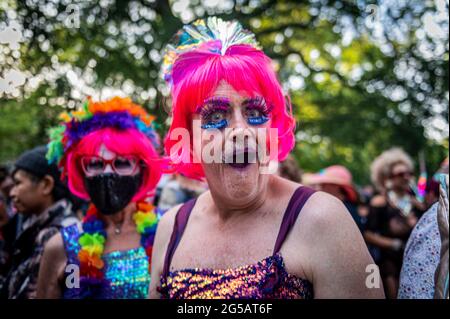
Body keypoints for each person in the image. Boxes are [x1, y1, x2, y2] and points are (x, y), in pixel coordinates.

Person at [149, 17, 383, 299]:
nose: (240, 130)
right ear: (189, 133)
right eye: (215, 115)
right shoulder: (171, 228)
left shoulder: (322, 219)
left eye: (255, 113)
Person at [36, 97, 166, 299]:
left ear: (142, 169)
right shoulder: (60, 246)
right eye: (95, 164)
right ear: (80, 171)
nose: (107, 174)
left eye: (122, 163)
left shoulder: (170, 230)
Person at [0, 146, 78, 299]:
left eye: (18, 183)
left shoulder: (64, 233)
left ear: (46, 185)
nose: (12, 193)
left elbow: (73, 288)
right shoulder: (32, 226)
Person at [364, 147, 425, 298]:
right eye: (400, 174)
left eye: (409, 173)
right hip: (389, 262)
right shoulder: (380, 203)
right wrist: (394, 244)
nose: (406, 177)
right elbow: (367, 234)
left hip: (415, 261)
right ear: (388, 177)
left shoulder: (417, 204)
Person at [305, 165, 364, 232]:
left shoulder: (346, 210)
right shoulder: (335, 206)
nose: (319, 188)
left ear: (335, 186)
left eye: (323, 184)